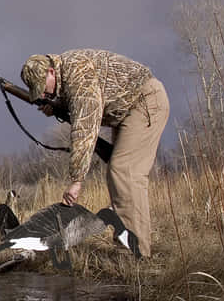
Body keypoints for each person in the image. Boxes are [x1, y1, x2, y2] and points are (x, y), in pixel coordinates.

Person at [20, 50, 169, 258]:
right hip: (127, 110)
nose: (43, 95)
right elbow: (77, 101)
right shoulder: (67, 73)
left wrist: (76, 181)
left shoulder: (78, 76)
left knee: (124, 172)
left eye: (43, 89)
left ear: (51, 72)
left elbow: (85, 129)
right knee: (121, 176)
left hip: (145, 103)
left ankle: (137, 253)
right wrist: (56, 106)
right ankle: (128, 244)